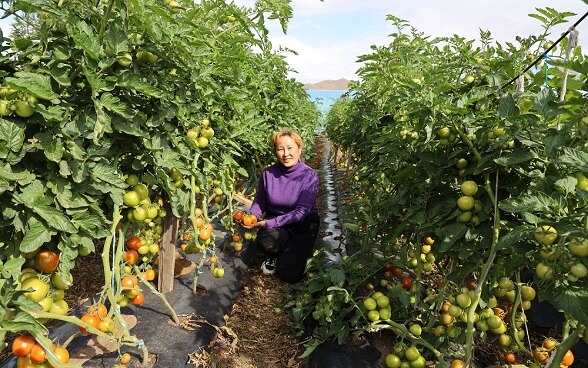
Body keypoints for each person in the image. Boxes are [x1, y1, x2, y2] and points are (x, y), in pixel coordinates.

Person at [243, 128, 320, 283]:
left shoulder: (309, 175)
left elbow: (301, 212)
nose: (286, 154)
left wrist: (268, 223)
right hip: (278, 222)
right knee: (267, 241)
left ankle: (294, 252)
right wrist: (253, 216)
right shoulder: (268, 174)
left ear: (299, 149)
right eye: (280, 149)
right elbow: (260, 201)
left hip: (302, 225)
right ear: (275, 152)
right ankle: (273, 255)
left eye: (290, 148)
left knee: (289, 276)